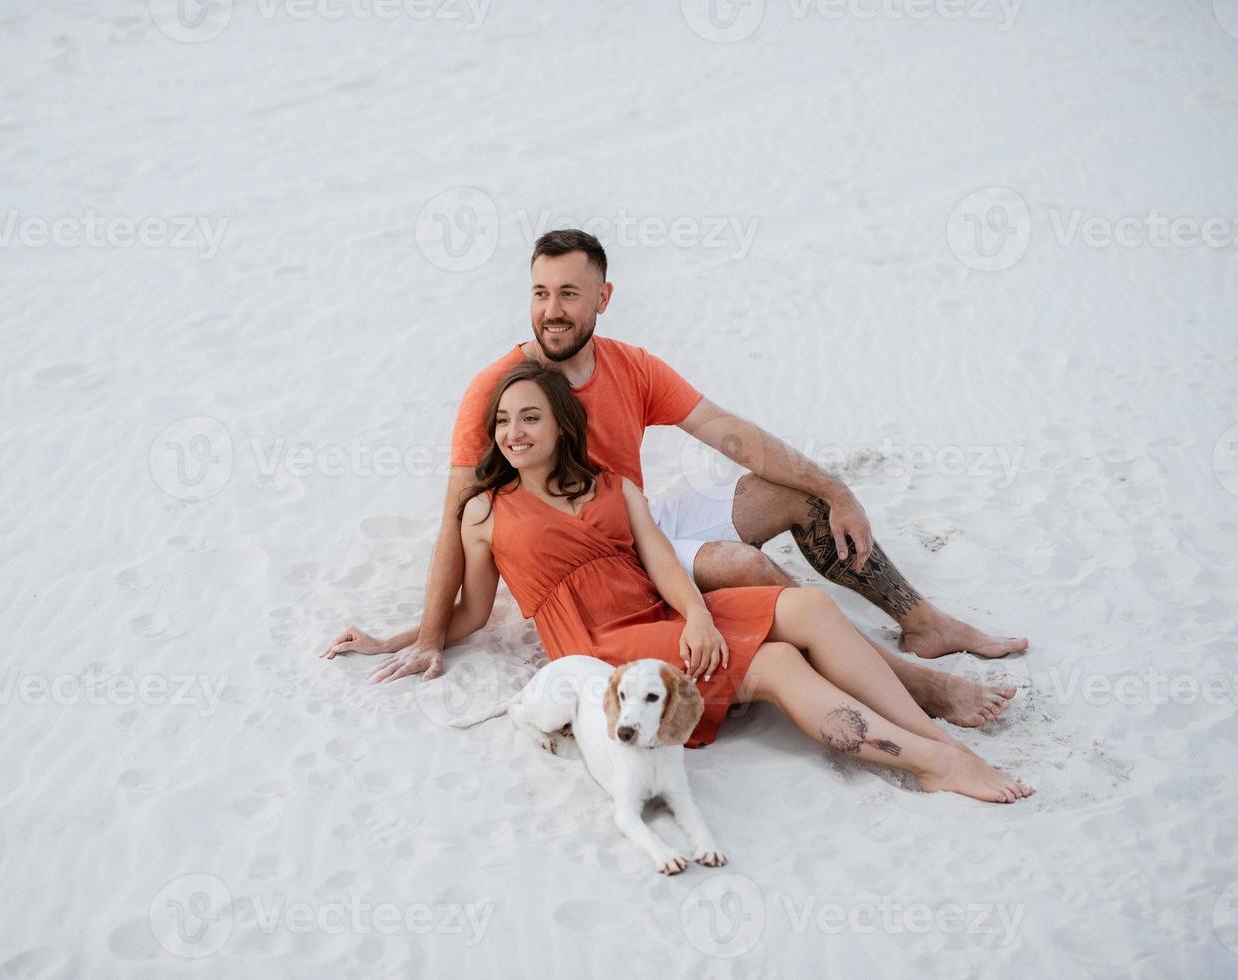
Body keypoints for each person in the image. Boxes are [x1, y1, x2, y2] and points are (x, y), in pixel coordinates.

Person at [326, 229, 1024, 729]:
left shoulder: (631, 365)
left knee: (802, 496)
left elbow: (733, 435)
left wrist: (838, 489)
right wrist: (421, 636)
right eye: (540, 293)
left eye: (570, 293)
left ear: (604, 297)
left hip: (637, 516)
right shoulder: (499, 391)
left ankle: (922, 623)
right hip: (600, 557)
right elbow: (458, 511)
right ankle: (910, 684)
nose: (553, 310)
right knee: (745, 566)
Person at [361, 360, 1034, 802]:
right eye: (503, 421)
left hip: (658, 613)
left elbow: (659, 563)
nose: (513, 432)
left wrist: (700, 618)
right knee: (772, 665)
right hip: (603, 646)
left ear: (561, 424)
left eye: (529, 416)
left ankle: (937, 738)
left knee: (811, 608)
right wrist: (403, 638)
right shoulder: (483, 511)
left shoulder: (611, 487)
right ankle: (930, 762)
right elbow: (473, 612)